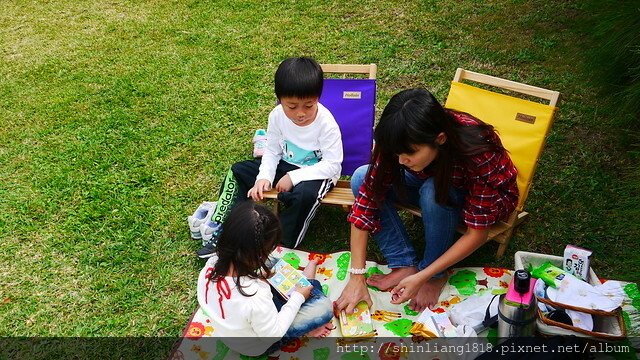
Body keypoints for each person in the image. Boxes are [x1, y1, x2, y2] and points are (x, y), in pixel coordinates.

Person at [334, 88, 519, 314]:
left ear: (439, 139)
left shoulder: (478, 150)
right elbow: (365, 205)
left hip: (478, 198)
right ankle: (404, 264)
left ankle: (435, 274)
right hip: (428, 179)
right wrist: (356, 277)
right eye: (396, 154)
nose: (401, 161)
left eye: (409, 153)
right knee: (362, 177)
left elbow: (477, 233)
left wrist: (426, 276)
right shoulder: (398, 138)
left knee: (434, 192)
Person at [197, 56, 342, 258]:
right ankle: (229, 229)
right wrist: (263, 177)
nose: (301, 113)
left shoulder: (326, 124)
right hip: (285, 164)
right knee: (238, 171)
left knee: (304, 196)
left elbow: (333, 165)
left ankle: (280, 246)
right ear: (279, 99)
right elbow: (272, 150)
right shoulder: (276, 116)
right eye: (292, 106)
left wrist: (294, 178)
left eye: (308, 105)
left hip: (317, 173)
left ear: (318, 97)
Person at [197, 201, 335, 357]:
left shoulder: (211, 264)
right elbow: (273, 333)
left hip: (239, 327)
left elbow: (237, 302)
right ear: (257, 255)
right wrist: (298, 297)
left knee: (272, 265)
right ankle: (309, 289)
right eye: (269, 249)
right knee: (323, 307)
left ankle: (304, 286)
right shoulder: (256, 295)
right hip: (258, 343)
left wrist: (256, 277)